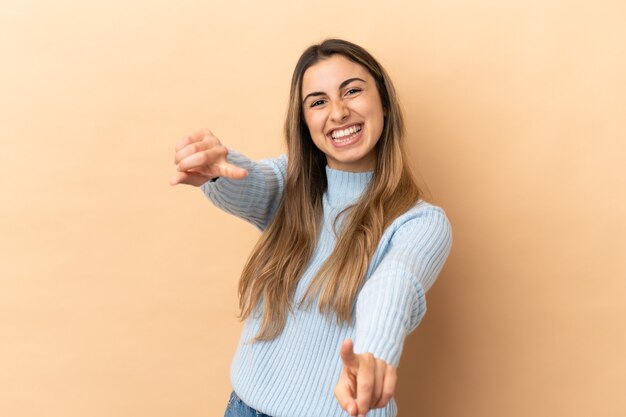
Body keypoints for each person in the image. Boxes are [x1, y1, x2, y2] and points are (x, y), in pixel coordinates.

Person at [170, 39, 452, 417]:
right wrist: (215, 169)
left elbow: (394, 286)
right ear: (305, 122)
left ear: (383, 101)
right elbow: (253, 181)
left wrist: (373, 355)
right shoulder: (291, 185)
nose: (338, 112)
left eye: (352, 91)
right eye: (318, 102)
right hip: (244, 408)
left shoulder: (420, 222)